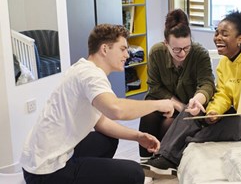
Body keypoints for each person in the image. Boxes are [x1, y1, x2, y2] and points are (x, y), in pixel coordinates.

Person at [20, 24, 175, 184]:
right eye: (122, 49)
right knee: (134, 173)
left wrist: (138, 137)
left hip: (36, 160)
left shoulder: (82, 68)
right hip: (46, 173)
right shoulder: (91, 76)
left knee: (107, 140)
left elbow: (100, 122)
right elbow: (116, 110)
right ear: (105, 49)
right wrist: (159, 104)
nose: (127, 55)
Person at [141, 9, 241, 178]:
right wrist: (213, 111)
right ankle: (163, 157)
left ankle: (179, 152)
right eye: (217, 32)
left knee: (230, 125)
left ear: (240, 39)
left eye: (225, 34)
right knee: (193, 110)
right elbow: (223, 94)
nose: (218, 37)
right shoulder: (225, 63)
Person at [138, 9, 215, 162]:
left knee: (169, 124)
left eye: (187, 47)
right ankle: (146, 163)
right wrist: (175, 105)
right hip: (164, 102)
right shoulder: (156, 52)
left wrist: (195, 101)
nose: (182, 53)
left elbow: (207, 84)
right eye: (176, 49)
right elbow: (154, 86)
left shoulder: (199, 54)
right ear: (166, 43)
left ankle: (163, 161)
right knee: (148, 116)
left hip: (190, 107)